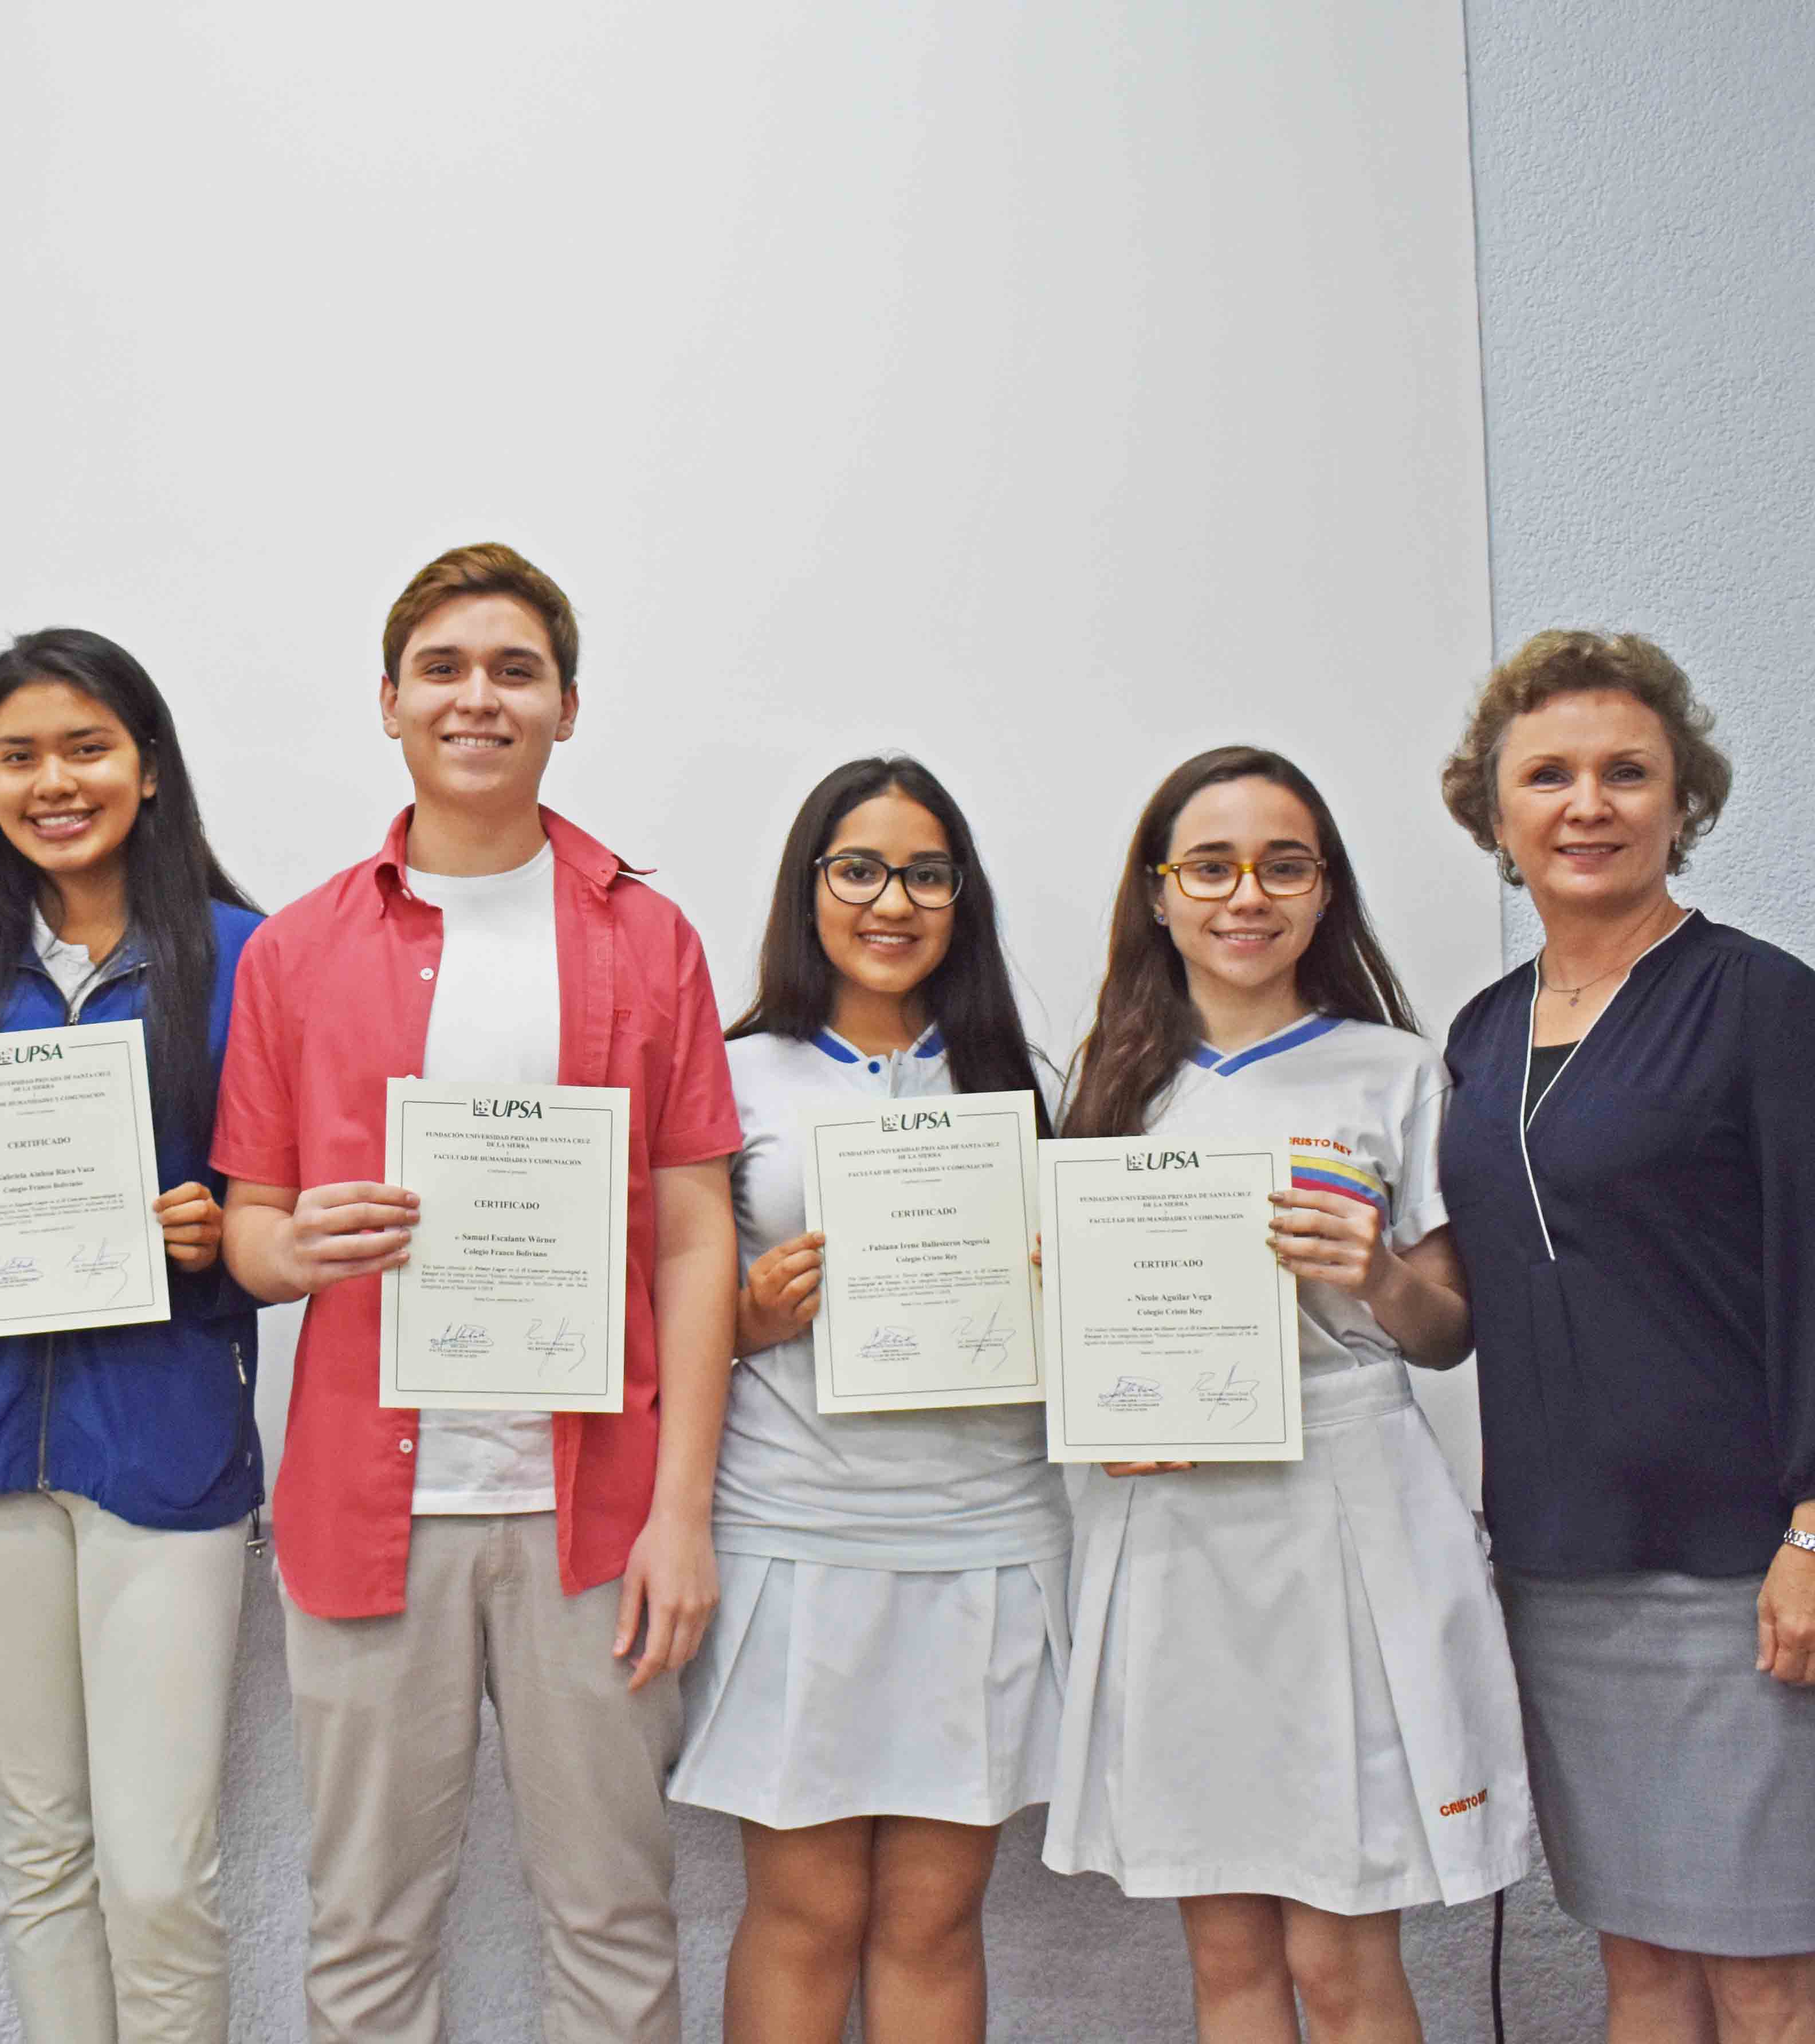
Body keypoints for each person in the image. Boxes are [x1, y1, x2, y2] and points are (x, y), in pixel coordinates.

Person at [213, 542, 743, 2044]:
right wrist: (289, 1247)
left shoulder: (649, 938)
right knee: (368, 1931)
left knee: (616, 1923)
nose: (478, 698)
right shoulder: (300, 950)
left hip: (597, 1521)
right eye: (442, 669)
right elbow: (249, 1227)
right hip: (369, 1513)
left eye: (515, 670)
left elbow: (695, 1233)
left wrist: (682, 1513)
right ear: (389, 703)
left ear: (567, 706)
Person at [1435, 632, 1815, 2043]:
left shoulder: (1763, 1001)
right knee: (1637, 1963)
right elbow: (1468, 1293)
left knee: (1763, 1978)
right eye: (1549, 775)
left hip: (1747, 1569)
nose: (1588, 803)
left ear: (1678, 801)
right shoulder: (1477, 1032)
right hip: (1562, 1566)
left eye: (1625, 772)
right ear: (1494, 814)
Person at [1043, 745, 1533, 2043]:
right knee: (1225, 1956)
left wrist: (1372, 1268)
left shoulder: (1392, 1070)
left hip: (1337, 1523)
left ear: (1324, 891)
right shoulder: (1108, 1078)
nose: (1243, 892)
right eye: (1208, 864)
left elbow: (1446, 1332)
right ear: (1157, 892)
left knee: (1339, 1952)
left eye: (1282, 863)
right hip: (1175, 1534)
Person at [0, 630, 265, 2044]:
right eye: (18, 754)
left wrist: (221, 1239)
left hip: (163, 1439)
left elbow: (276, 1217)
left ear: (146, 767)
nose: (53, 780)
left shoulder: (243, 957)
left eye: (85, 746)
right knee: (39, 1851)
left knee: (156, 1870)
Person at [671, 756, 1068, 2043]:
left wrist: (1060, 1293)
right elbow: (665, 1320)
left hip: (984, 1535)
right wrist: (745, 1315)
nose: (889, 898)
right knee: (803, 1912)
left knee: (933, 1916)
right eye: (856, 867)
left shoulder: (1021, 1083)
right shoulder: (729, 1077)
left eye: (924, 871)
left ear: (961, 897)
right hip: (793, 1533)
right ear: (808, 889)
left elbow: (1084, 1327)